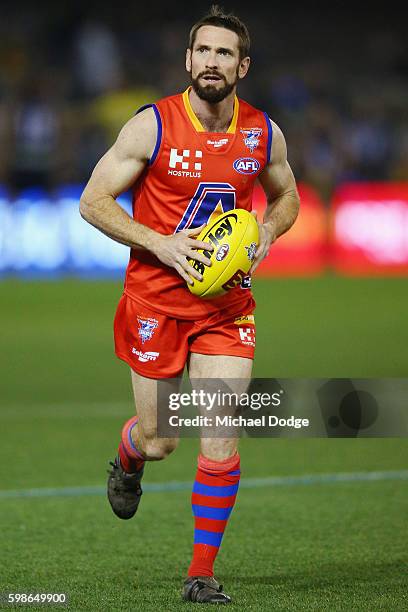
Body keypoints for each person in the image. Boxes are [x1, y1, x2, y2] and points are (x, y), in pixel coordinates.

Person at [80, 5, 299, 605]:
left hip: (228, 309)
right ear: (188, 60)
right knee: (160, 440)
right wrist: (162, 244)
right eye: (203, 51)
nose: (211, 61)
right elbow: (93, 202)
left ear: (242, 66)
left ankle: (200, 573)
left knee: (220, 436)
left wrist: (266, 234)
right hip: (155, 302)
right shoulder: (149, 126)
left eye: (224, 53)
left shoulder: (263, 132)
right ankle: (130, 456)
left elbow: (288, 196)